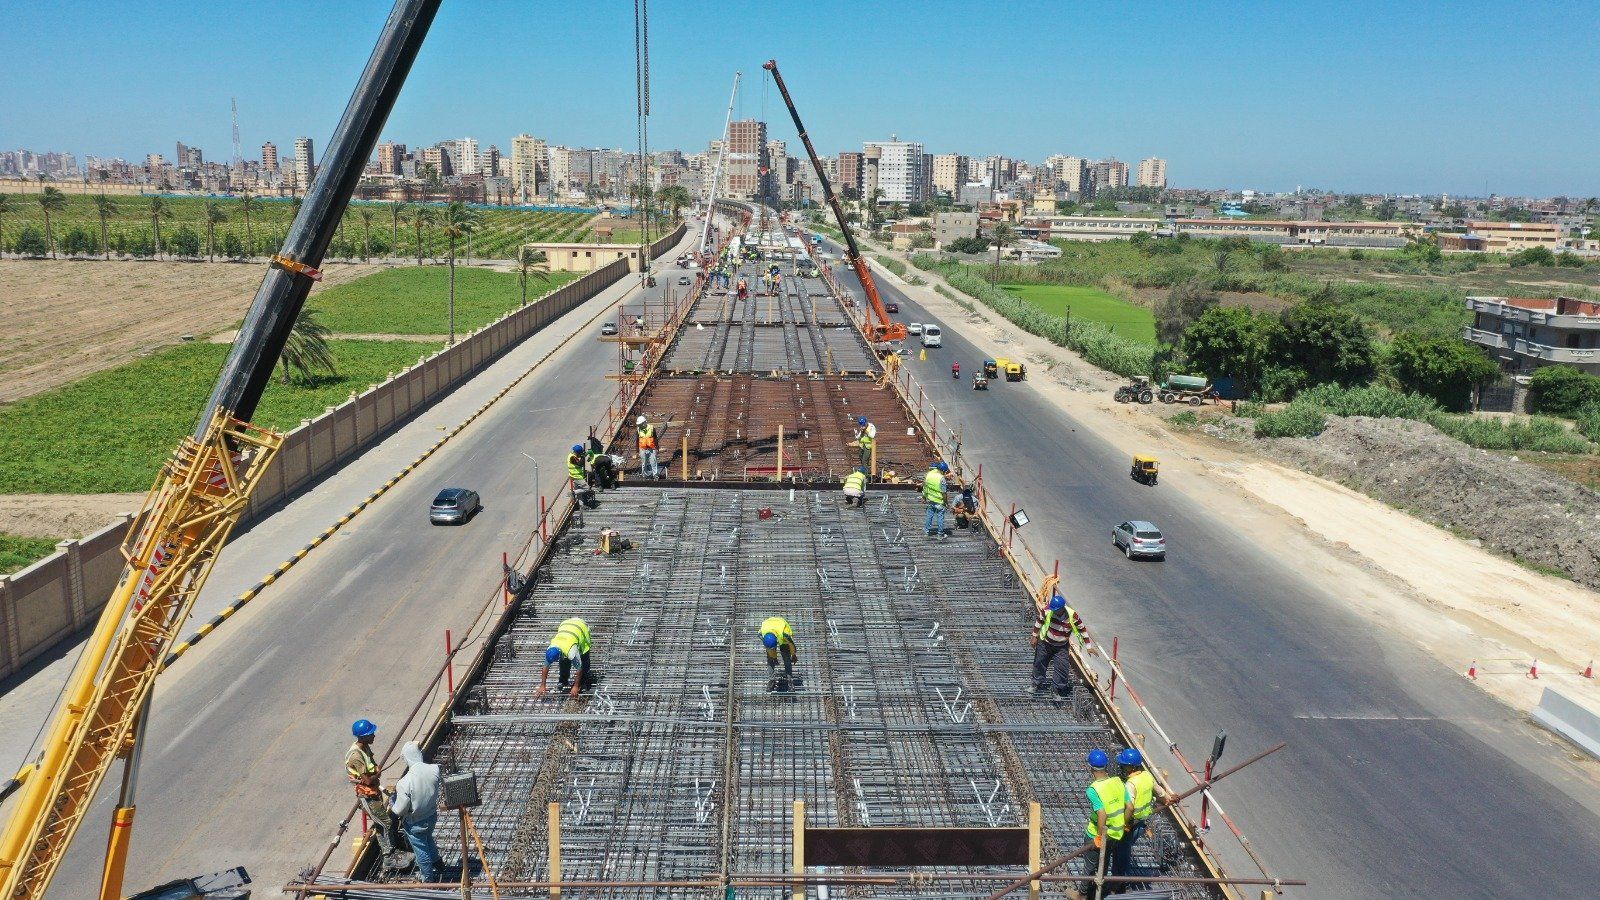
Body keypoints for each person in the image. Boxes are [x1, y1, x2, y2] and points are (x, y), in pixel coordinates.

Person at [345, 719, 399, 859]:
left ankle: (389, 851)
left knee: (381, 822)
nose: (374, 736)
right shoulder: (356, 756)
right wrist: (377, 774)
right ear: (363, 737)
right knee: (386, 823)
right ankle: (389, 855)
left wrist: (376, 770)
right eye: (371, 734)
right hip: (367, 795)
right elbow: (368, 781)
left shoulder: (365, 747)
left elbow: (373, 765)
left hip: (374, 791)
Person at [391, 741, 442, 884]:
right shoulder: (434, 769)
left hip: (416, 822)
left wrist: (392, 805)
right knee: (428, 838)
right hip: (431, 816)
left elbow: (399, 809)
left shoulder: (404, 782)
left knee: (420, 850)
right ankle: (438, 862)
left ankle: (428, 879)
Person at [1083, 748, 1128, 892]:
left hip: (1097, 833)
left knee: (1089, 866)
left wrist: (1098, 836)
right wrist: (1124, 824)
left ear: (1091, 768)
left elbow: (1102, 814)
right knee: (1104, 862)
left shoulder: (1093, 789)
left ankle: (1083, 893)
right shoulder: (1118, 782)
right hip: (1115, 833)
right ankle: (1099, 890)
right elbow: (1130, 806)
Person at [1032, 593, 1091, 700]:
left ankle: (1056, 689)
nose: (1053, 611)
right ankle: (1036, 683)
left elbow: (1082, 629)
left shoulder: (1073, 616)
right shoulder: (1047, 611)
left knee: (1062, 667)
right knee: (1039, 662)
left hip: (1061, 646)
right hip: (1045, 643)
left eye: (1055, 610)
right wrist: (1034, 637)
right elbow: (1039, 622)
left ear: (1062, 608)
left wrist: (1089, 646)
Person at [1117, 747, 1158, 887]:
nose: (1122, 767)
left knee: (1122, 852)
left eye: (1124, 765)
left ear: (1131, 767)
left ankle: (1120, 882)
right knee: (1126, 848)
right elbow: (1160, 792)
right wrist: (1168, 798)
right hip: (1142, 822)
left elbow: (1130, 807)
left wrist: (1125, 824)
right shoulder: (1147, 776)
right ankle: (1122, 877)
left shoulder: (1131, 783)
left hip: (1132, 823)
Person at [536, 617, 594, 698]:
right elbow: (545, 667)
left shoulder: (571, 650)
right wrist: (542, 685)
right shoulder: (551, 648)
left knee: (584, 659)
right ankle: (563, 680)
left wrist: (576, 686)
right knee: (563, 661)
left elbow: (579, 669)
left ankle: (582, 682)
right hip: (566, 625)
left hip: (581, 627)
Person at [760, 616, 799, 692]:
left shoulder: (785, 633)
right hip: (771, 632)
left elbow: (791, 645)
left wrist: (793, 655)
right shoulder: (762, 633)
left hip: (783, 634)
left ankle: (790, 681)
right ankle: (771, 680)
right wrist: (773, 657)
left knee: (787, 658)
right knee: (770, 659)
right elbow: (770, 648)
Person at [922, 461, 950, 537]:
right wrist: (946, 503)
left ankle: (926, 531)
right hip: (940, 501)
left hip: (931, 500)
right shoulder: (941, 478)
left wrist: (924, 497)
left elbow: (924, 487)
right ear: (943, 470)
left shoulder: (928, 475)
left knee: (929, 516)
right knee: (940, 517)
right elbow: (944, 493)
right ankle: (940, 534)